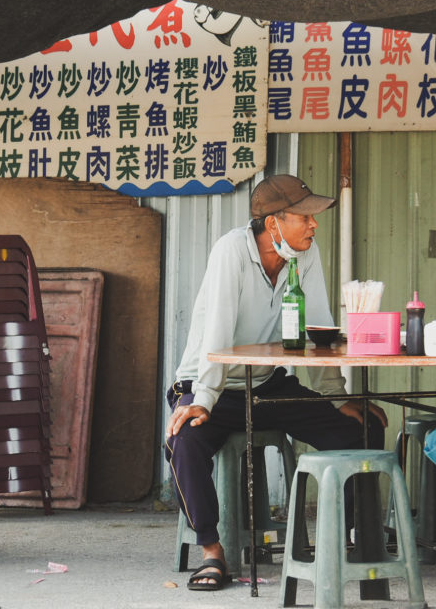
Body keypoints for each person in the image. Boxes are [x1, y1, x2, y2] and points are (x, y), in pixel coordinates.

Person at [164, 174, 387, 591]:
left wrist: (336, 397)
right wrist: (205, 399)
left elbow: (318, 324)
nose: (314, 225)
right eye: (305, 217)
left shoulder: (305, 252)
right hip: (207, 383)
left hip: (265, 386)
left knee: (362, 428)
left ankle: (349, 539)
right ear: (273, 224)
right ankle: (212, 551)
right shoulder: (231, 250)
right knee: (184, 442)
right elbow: (217, 332)